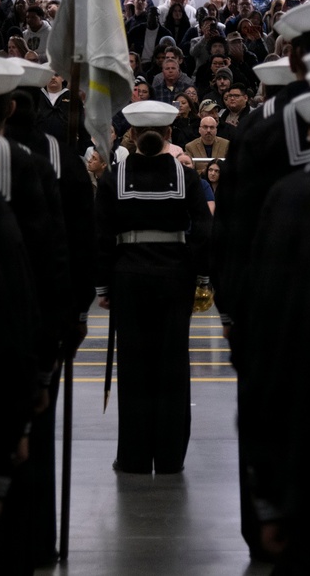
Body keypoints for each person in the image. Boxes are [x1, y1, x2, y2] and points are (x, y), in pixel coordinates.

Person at [95, 100, 212, 475]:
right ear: (168, 135)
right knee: (173, 364)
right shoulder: (187, 178)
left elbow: (101, 235)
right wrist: (201, 277)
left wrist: (103, 286)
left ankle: (132, 457)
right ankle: (169, 456)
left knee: (134, 366)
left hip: (128, 276)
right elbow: (203, 232)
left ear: (130, 134)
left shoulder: (112, 178)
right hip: (175, 276)